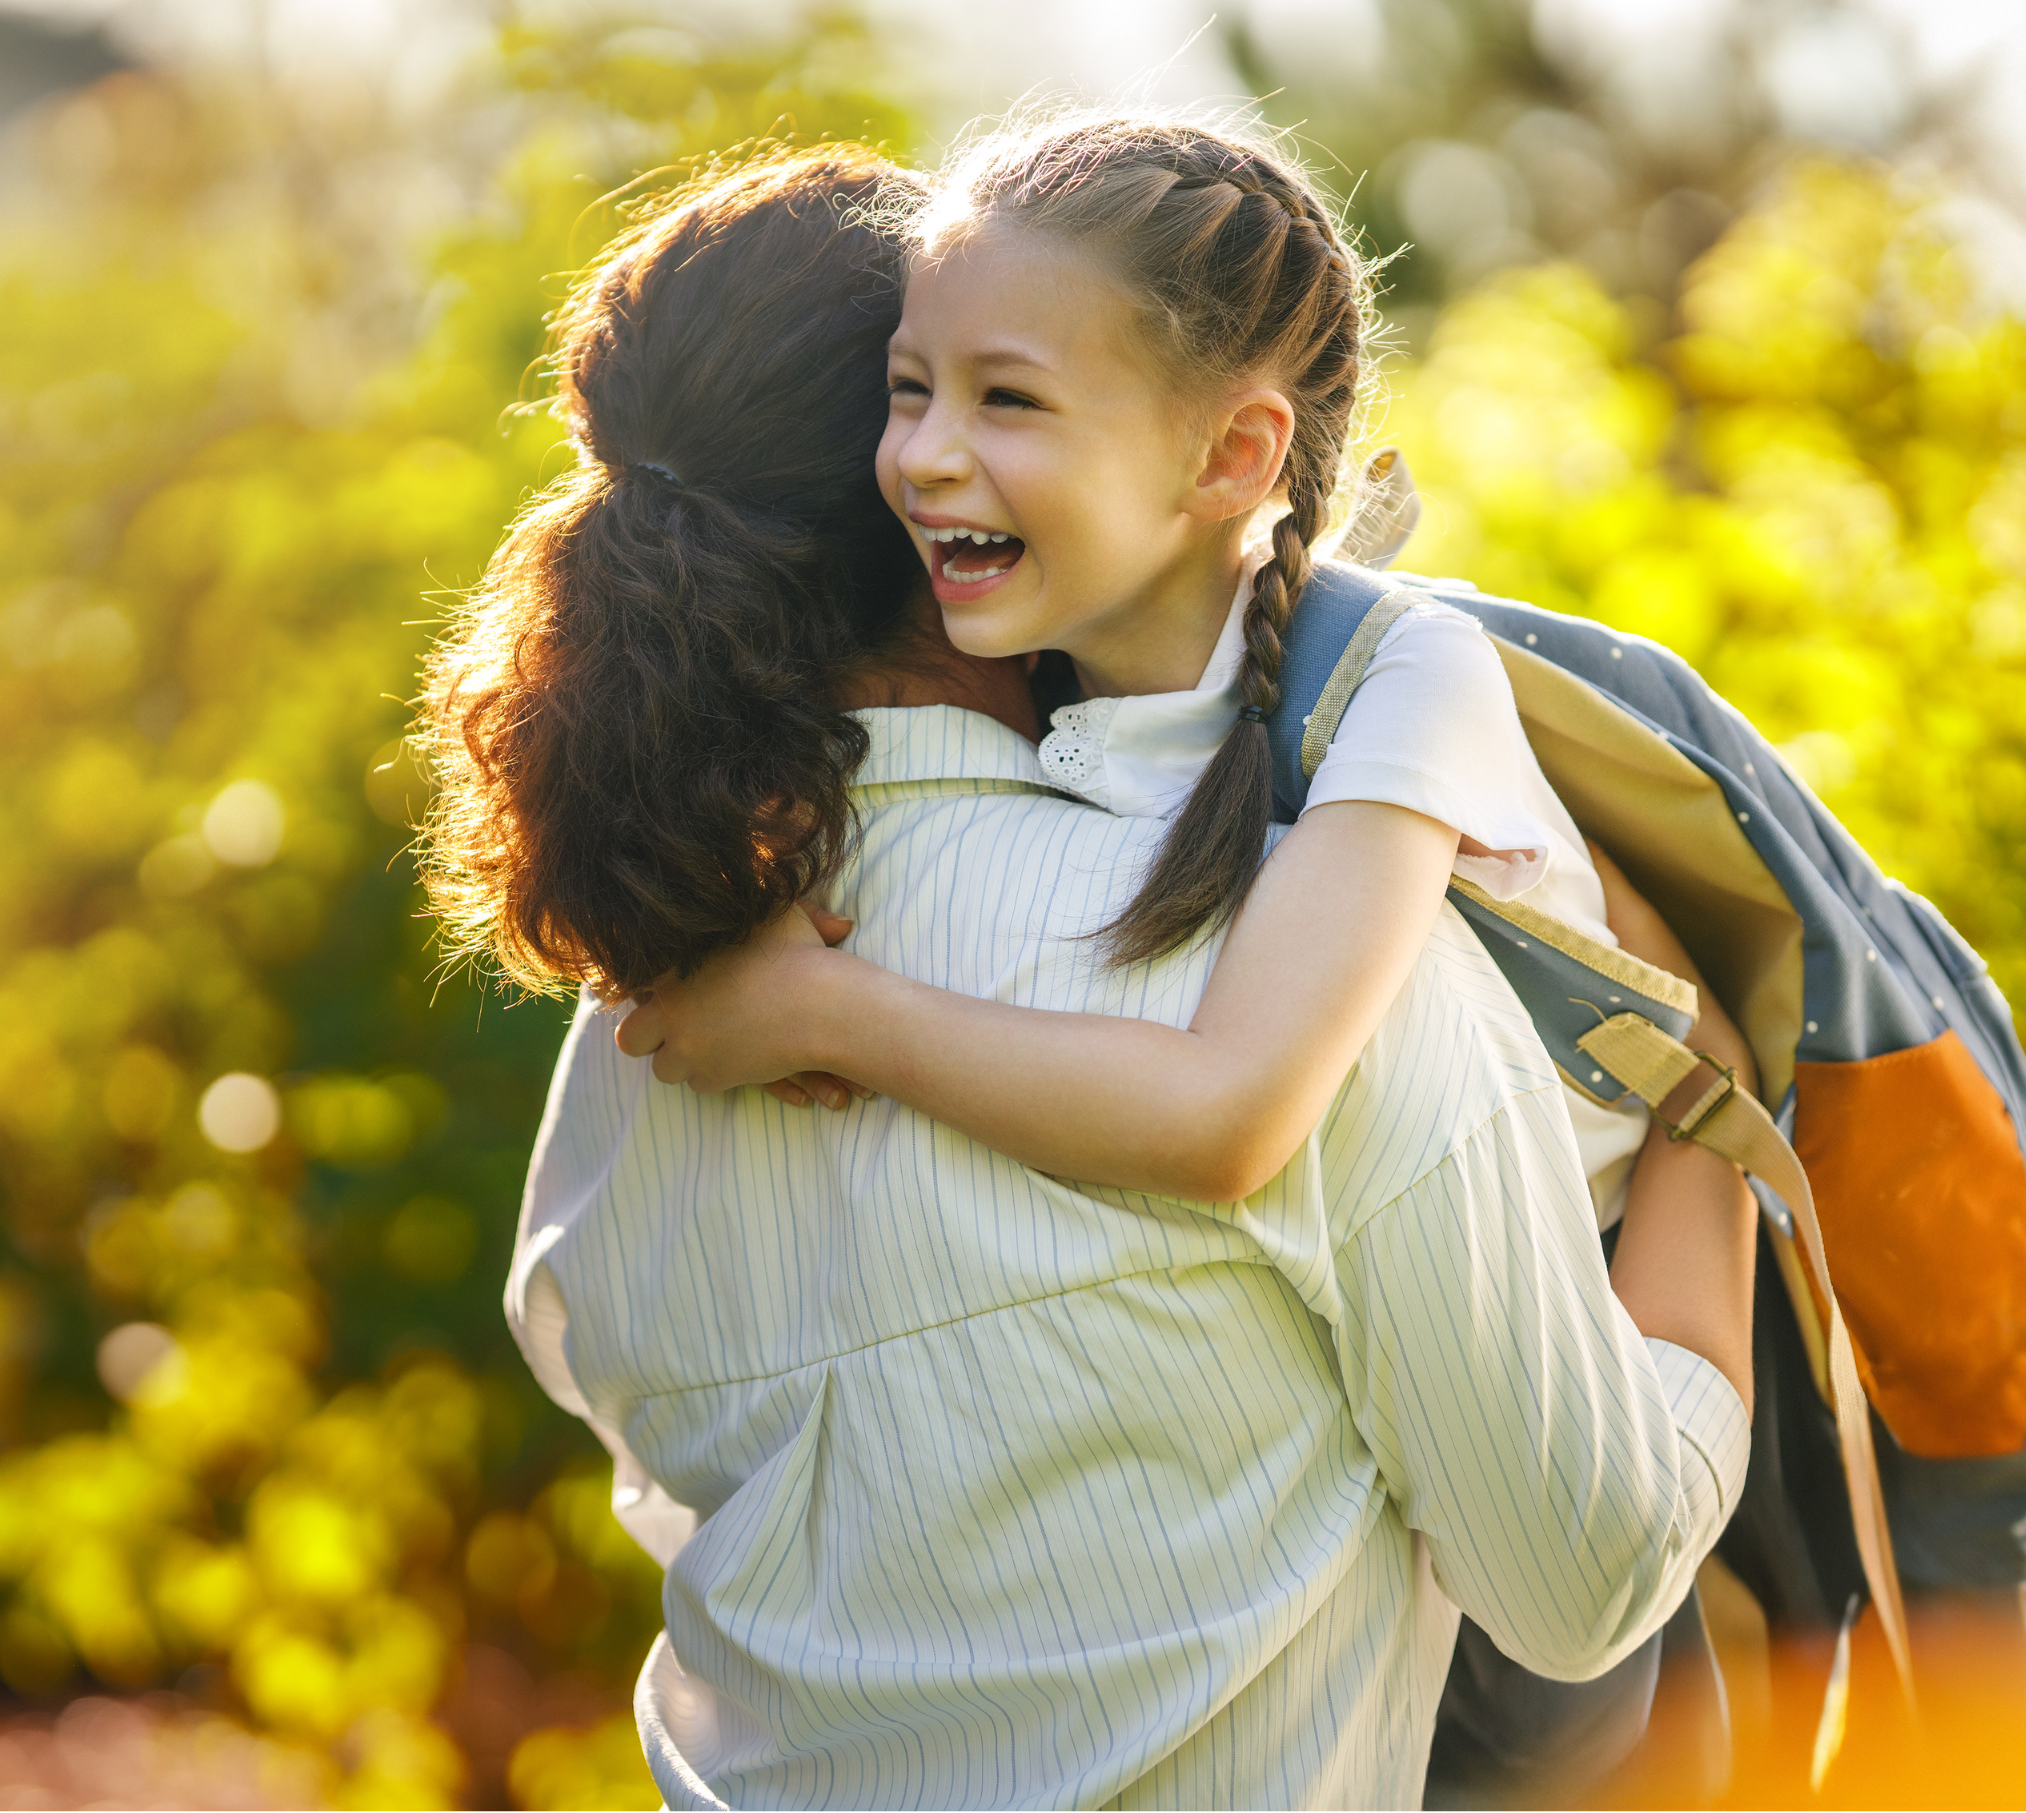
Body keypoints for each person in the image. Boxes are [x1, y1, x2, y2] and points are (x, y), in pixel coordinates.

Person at [419, 145, 1757, 1806]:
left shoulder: (653, 1029)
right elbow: (1589, 1576)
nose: (946, 444)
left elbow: (667, 1467)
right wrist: (1717, 1113)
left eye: (1007, 392)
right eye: (921, 389)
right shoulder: (1304, 966)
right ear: (900, 485)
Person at [617, 113, 1756, 1237]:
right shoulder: (1034, 673)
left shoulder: (1403, 678)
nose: (921, 454)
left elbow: (1228, 1119)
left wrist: (826, 1011)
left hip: (1624, 1271)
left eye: (1005, 398)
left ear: (1228, 456)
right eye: (908, 388)